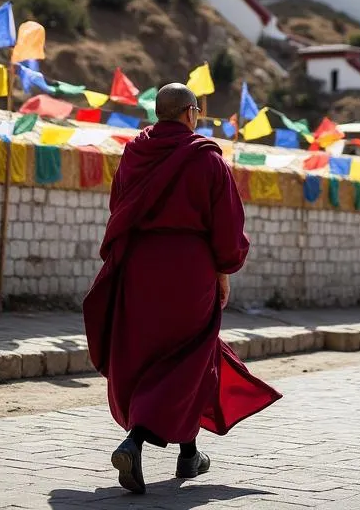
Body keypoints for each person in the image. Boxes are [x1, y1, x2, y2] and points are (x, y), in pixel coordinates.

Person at [83, 82, 281, 495]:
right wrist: (224, 269)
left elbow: (118, 206)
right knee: (190, 355)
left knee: (166, 355)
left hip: (139, 267)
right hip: (189, 269)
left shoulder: (135, 153)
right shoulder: (206, 158)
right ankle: (135, 441)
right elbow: (226, 224)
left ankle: (188, 454)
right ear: (191, 113)